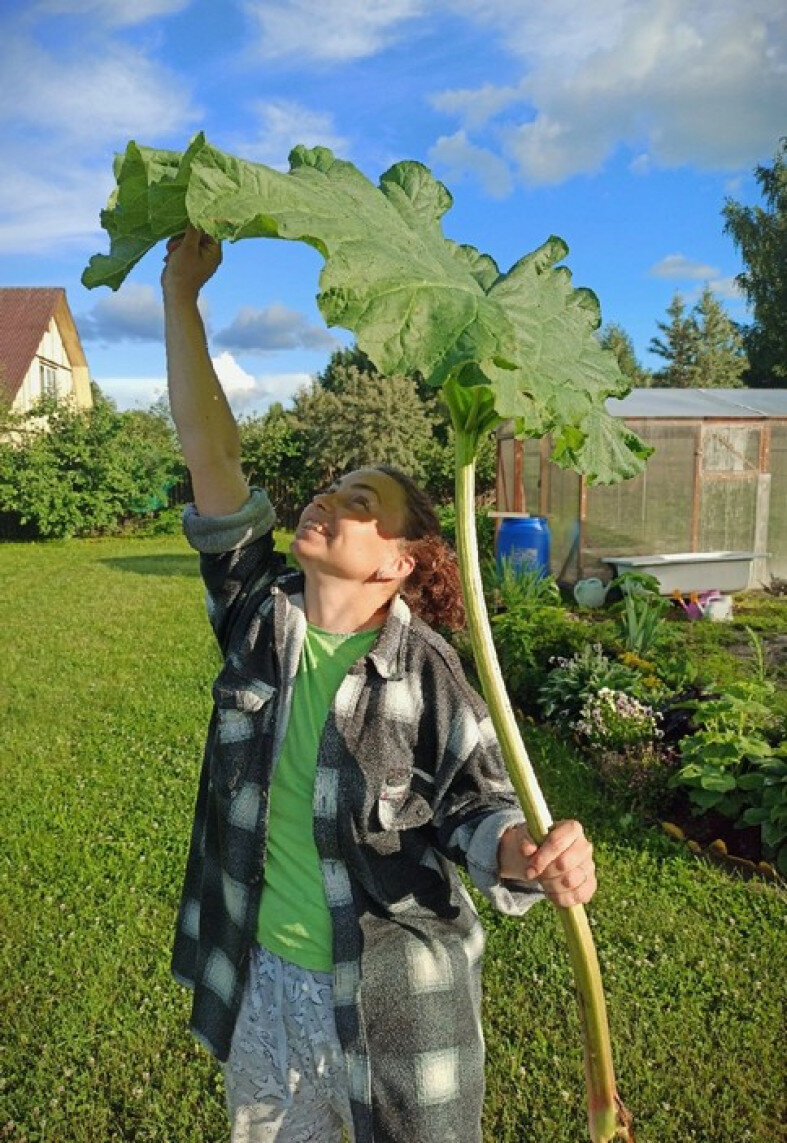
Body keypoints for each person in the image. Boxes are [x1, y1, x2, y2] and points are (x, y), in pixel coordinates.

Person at [162, 226, 597, 1143]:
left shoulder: (426, 668)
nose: (328, 500)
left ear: (400, 560)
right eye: (333, 486)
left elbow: (477, 809)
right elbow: (212, 457)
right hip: (264, 986)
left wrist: (529, 852)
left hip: (398, 1007)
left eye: (361, 503)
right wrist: (180, 300)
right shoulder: (256, 617)